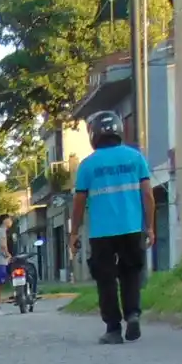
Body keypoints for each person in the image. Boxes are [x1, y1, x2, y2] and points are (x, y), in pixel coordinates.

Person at [69, 110, 156, 345]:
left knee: (106, 280)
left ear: (94, 135)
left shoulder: (87, 165)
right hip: (131, 229)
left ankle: (113, 329)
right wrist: (149, 227)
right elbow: (148, 195)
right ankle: (133, 314)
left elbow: (78, 203)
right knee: (131, 274)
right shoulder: (135, 158)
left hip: (101, 234)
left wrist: (74, 232)